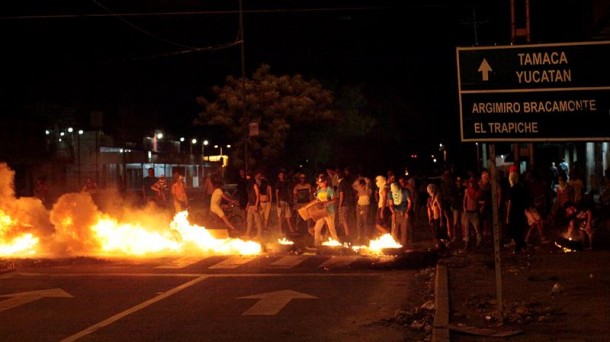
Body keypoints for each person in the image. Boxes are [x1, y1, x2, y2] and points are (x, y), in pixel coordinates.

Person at [506, 171, 528, 254]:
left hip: (514, 212)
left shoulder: (513, 189)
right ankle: (521, 245)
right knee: (519, 230)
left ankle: (519, 246)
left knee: (513, 230)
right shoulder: (521, 187)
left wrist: (507, 215)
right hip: (520, 211)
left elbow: (510, 203)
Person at [352, 174, 372, 244]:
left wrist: (363, 178)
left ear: (365, 185)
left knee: (365, 222)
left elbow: (368, 181)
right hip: (359, 206)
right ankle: (359, 236)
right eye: (360, 185)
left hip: (365, 206)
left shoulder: (368, 189)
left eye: (362, 185)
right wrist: (359, 179)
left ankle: (366, 237)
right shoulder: (359, 188)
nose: (361, 187)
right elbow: (353, 185)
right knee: (359, 222)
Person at [244, 170, 264, 241]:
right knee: (249, 220)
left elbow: (257, 195)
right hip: (250, 205)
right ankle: (247, 234)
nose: (247, 178)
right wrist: (247, 204)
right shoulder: (249, 186)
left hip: (255, 205)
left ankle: (259, 235)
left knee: (257, 221)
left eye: (248, 176)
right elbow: (250, 196)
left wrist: (256, 205)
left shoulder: (254, 185)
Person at [275, 169, 295, 236]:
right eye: (280, 175)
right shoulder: (278, 183)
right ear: (278, 176)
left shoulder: (286, 182)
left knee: (288, 216)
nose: (282, 176)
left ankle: (291, 230)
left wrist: (290, 200)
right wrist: (277, 201)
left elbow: (288, 191)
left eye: (282, 175)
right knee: (280, 217)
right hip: (281, 201)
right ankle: (280, 231)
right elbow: (277, 192)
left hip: (286, 201)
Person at [426, 183, 447, 249]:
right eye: (429, 191)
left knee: (440, 234)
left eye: (431, 190)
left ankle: (442, 247)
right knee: (435, 234)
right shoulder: (430, 198)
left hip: (438, 218)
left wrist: (441, 220)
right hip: (434, 219)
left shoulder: (438, 196)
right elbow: (429, 208)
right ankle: (439, 246)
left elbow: (441, 209)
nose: (430, 192)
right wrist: (430, 218)